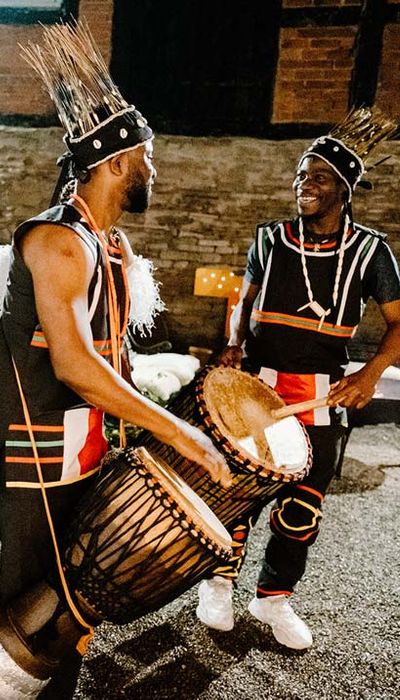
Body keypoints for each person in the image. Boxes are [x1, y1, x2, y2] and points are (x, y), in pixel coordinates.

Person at [0, 23, 231, 699]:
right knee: (28, 610)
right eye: (149, 158)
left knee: (71, 606)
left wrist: (139, 427)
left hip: (77, 452)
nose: (155, 172)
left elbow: (110, 359)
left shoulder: (110, 248)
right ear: (116, 163)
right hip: (28, 454)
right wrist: (177, 431)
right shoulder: (57, 242)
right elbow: (77, 367)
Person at [196, 108, 400, 650]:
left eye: (318, 177)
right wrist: (235, 343)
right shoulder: (270, 238)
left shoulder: (372, 251)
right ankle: (219, 583)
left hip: (322, 394)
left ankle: (274, 597)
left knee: (304, 500)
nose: (303, 184)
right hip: (257, 387)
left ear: (344, 190)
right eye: (301, 174)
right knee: (240, 488)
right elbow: (244, 298)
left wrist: (371, 373)